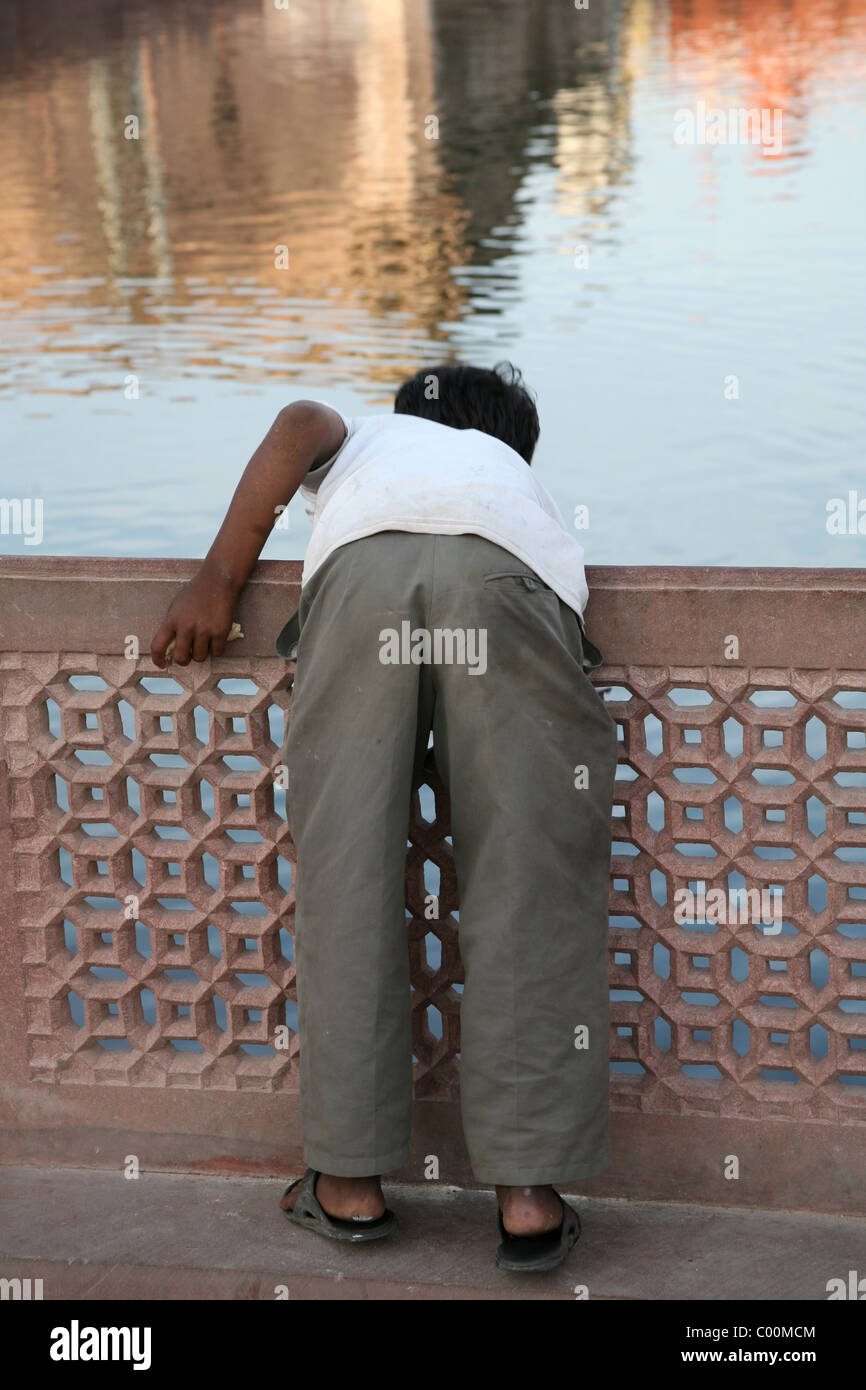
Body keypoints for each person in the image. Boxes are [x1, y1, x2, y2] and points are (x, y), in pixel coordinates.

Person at [151, 362, 618, 1272]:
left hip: (365, 580)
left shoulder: (375, 435)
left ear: (417, 412)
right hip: (507, 577)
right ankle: (527, 1198)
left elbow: (295, 419)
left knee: (350, 879)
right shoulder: (515, 478)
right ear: (511, 441)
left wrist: (218, 575)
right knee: (529, 889)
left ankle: (351, 1187)